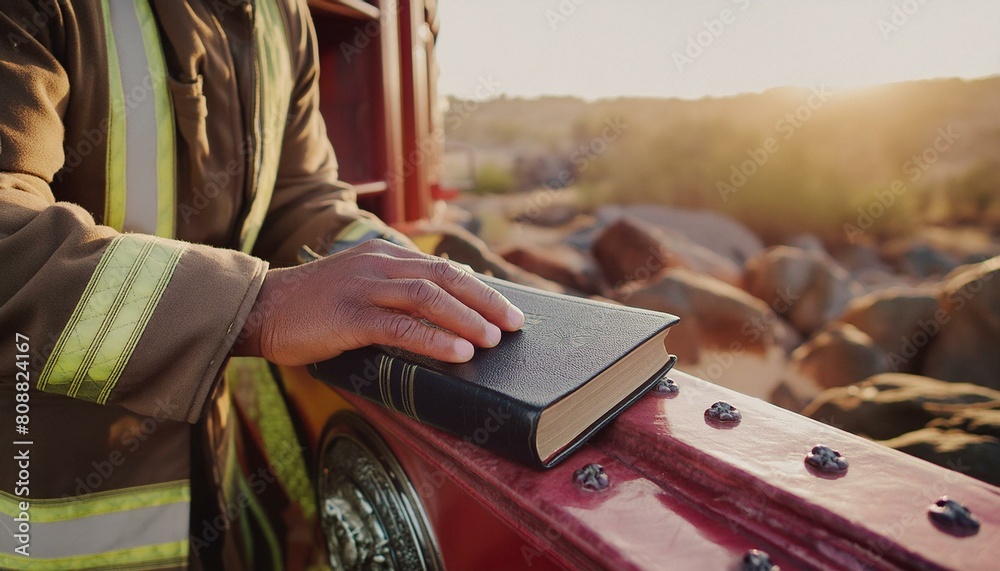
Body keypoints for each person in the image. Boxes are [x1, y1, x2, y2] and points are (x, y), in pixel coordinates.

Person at [0, 0, 523, 568]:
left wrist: (399, 272)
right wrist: (257, 307)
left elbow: (299, 197)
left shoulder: (282, 16)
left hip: (208, 487)